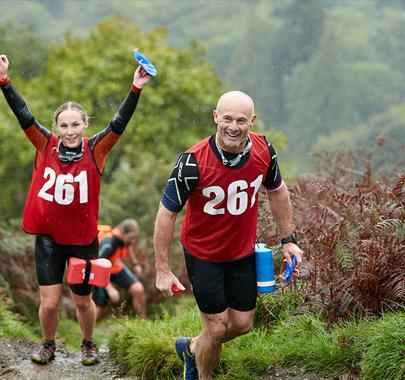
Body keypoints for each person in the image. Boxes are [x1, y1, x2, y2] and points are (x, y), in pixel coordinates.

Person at [0, 54, 153, 365]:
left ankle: (87, 344)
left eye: (75, 125)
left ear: (85, 125)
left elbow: (118, 124)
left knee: (82, 301)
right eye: (63, 125)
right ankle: (48, 345)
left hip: (83, 241)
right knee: (49, 302)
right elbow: (24, 116)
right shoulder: (45, 145)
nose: (69, 131)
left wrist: (135, 88)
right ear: (56, 127)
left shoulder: (96, 149)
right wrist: (4, 81)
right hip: (49, 239)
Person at [154, 90, 303, 380]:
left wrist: (289, 241)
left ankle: (192, 348)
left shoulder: (264, 150)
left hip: (241, 251)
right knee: (217, 326)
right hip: (203, 253)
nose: (233, 127)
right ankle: (203, 375)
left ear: (252, 121)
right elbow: (166, 214)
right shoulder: (192, 161)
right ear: (215, 118)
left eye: (241, 120)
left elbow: (278, 192)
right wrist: (162, 269)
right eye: (227, 119)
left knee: (242, 324)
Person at [93, 219, 147, 321]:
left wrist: (135, 264)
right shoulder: (108, 244)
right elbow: (97, 266)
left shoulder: (124, 239)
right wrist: (110, 289)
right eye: (131, 238)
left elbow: (128, 246)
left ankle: (143, 322)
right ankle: (88, 332)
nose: (133, 241)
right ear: (123, 232)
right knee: (102, 306)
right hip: (100, 273)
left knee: (138, 289)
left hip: (115, 267)